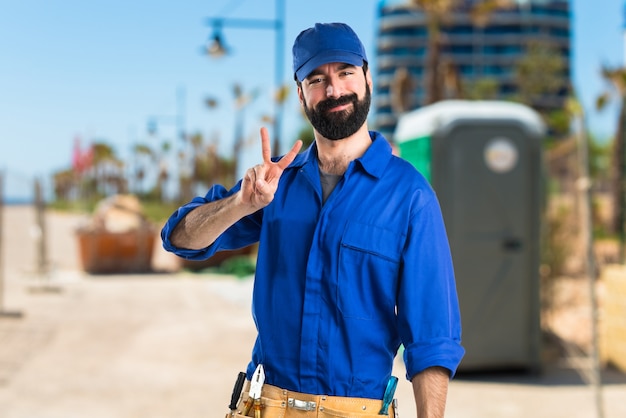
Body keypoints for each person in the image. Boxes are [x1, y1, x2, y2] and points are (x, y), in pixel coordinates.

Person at [161, 22, 464, 418]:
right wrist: (240, 204)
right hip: (265, 406)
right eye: (317, 79)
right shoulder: (275, 184)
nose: (334, 90)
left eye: (345, 73)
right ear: (301, 93)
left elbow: (432, 338)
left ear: (368, 78)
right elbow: (180, 238)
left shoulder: (411, 197)